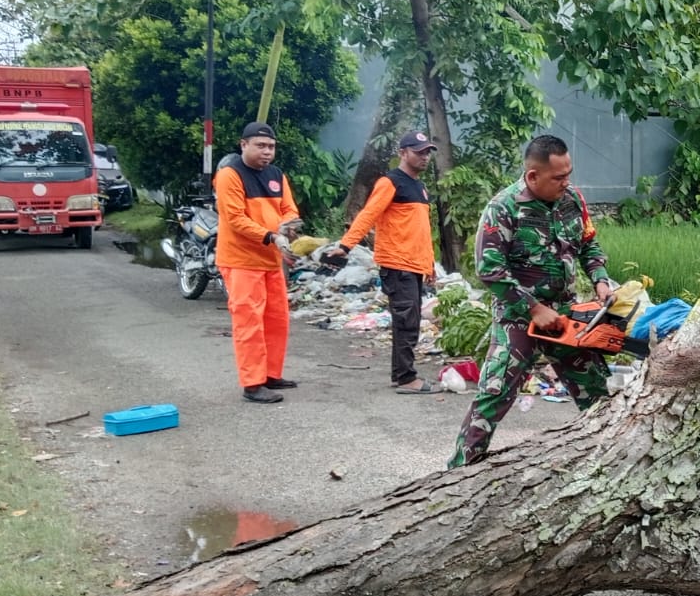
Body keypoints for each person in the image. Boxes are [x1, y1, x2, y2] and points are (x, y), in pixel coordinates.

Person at [449, 135, 615, 468]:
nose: (566, 182)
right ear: (533, 176)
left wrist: (600, 279)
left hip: (564, 316)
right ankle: (459, 472)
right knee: (494, 393)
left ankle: (609, 463)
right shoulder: (503, 208)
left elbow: (588, 245)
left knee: (597, 393)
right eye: (558, 177)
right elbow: (490, 271)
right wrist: (534, 309)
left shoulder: (572, 200)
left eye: (568, 174)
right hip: (519, 317)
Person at [324, 130, 439, 393]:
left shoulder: (419, 187)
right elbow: (368, 214)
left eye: (427, 152)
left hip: (415, 264)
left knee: (410, 321)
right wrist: (346, 245)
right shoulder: (390, 182)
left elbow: (421, 229)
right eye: (419, 152)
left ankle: (402, 374)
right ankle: (407, 379)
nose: (424, 157)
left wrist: (429, 263)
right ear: (402, 153)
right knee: (406, 322)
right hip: (398, 263)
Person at [214, 121, 301, 404]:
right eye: (260, 146)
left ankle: (271, 374)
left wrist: (288, 227)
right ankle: (252, 383)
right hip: (241, 260)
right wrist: (271, 236)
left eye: (271, 147)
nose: (267, 152)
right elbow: (235, 219)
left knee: (277, 320)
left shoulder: (276, 175)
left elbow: (289, 209)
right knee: (249, 322)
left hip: (271, 259)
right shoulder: (230, 175)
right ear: (244, 145)